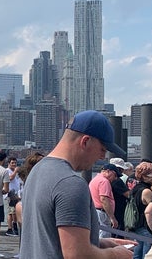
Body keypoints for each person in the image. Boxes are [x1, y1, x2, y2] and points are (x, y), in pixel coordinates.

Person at [20, 110, 135, 258]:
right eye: (102, 149)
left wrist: (99, 242)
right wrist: (115, 254)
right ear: (85, 141)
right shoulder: (71, 183)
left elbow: (47, 238)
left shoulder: (37, 170)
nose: (102, 157)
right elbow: (76, 254)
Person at [130, 161, 152, 258]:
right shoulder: (147, 191)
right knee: (147, 254)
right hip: (146, 226)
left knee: (137, 253)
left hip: (137, 225)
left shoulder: (136, 188)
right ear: (145, 176)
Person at [89, 163, 121, 238]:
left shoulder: (95, 179)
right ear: (108, 171)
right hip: (102, 212)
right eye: (115, 175)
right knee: (104, 234)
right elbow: (104, 199)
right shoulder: (104, 181)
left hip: (94, 210)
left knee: (97, 233)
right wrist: (112, 218)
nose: (115, 178)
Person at [110, 158, 131, 234]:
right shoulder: (117, 181)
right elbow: (128, 194)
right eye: (122, 169)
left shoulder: (106, 180)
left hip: (111, 208)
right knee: (119, 230)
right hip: (119, 209)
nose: (123, 171)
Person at [5, 156, 21, 237]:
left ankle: (14, 226)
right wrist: (15, 171)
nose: (14, 164)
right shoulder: (7, 171)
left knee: (15, 212)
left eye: (15, 163)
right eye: (12, 163)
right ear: (8, 163)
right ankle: (10, 228)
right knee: (11, 212)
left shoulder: (15, 172)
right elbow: (10, 178)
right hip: (10, 194)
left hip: (15, 194)